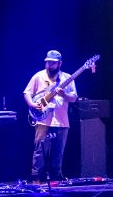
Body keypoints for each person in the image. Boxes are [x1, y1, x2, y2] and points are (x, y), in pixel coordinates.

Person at [23, 50, 78, 182]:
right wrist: (32, 104)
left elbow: (74, 98)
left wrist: (64, 94)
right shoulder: (39, 76)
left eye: (53, 63)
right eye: (48, 62)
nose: (50, 65)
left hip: (61, 120)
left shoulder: (67, 78)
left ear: (60, 63)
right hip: (43, 120)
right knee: (39, 151)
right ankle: (36, 178)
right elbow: (27, 93)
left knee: (58, 152)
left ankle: (56, 179)